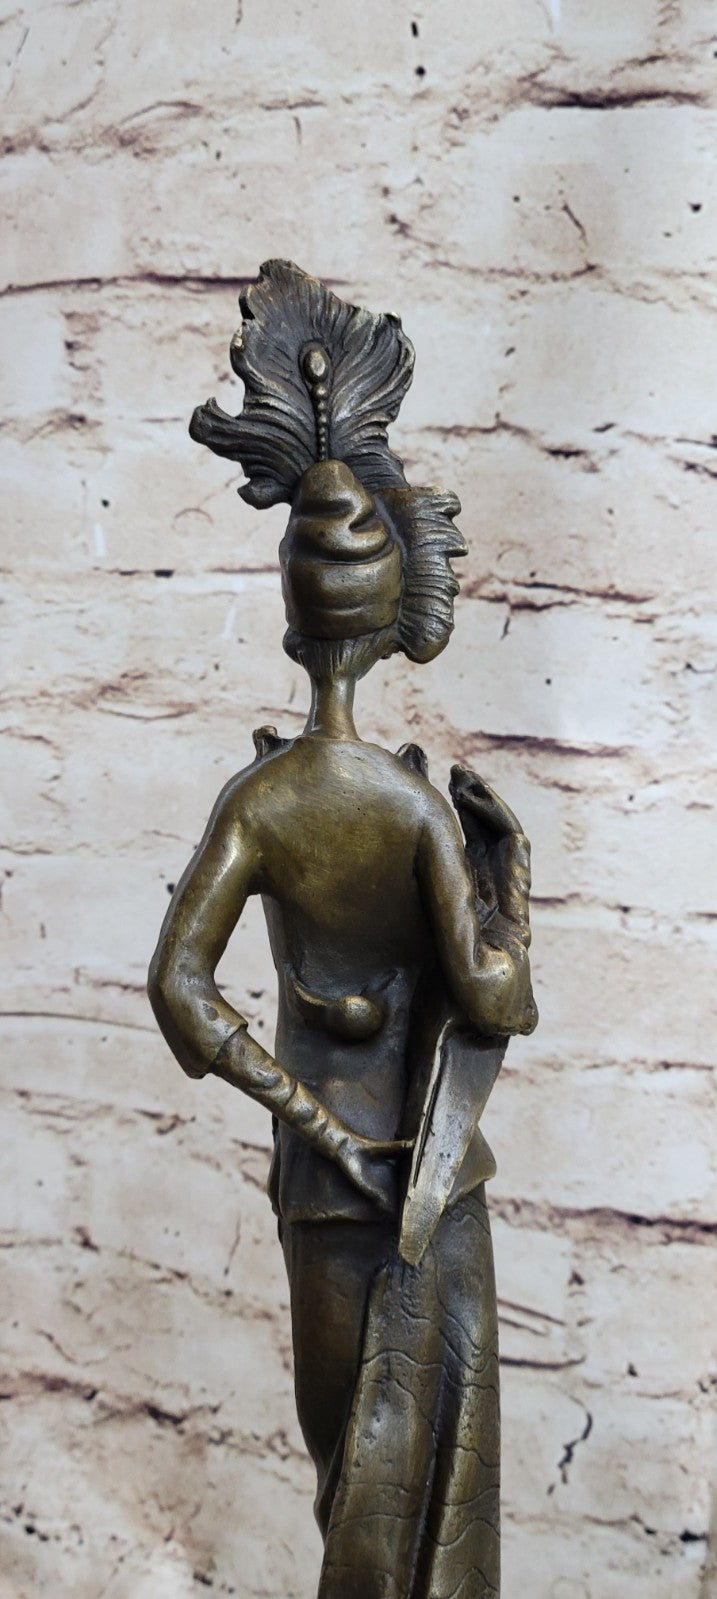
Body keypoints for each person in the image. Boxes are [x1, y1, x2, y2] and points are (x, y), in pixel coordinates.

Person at [148, 262, 537, 1598]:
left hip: (324, 1191)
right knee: (434, 1483)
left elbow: (180, 988)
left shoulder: (260, 801)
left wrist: (310, 1121)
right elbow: (493, 1001)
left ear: (293, 613)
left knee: (347, 1483)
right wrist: (511, 887)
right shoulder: (417, 810)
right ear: (387, 620)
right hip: (433, 1182)